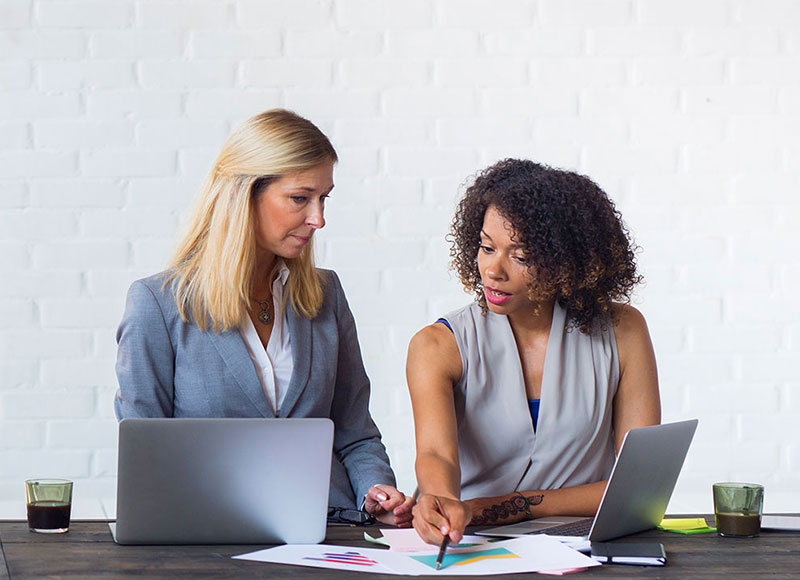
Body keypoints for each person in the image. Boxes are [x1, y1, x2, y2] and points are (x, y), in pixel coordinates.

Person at [114, 108, 413, 526]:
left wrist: (375, 490)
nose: (318, 218)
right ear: (244, 193)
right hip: (202, 537)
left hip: (328, 531)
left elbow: (355, 431)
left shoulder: (326, 296)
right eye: (300, 198)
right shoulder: (158, 305)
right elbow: (144, 457)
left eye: (323, 198)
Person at [406, 159, 661, 544]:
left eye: (520, 255)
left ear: (567, 261)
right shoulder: (438, 345)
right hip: (471, 542)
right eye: (486, 247)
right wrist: (440, 499)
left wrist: (519, 504)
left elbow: (638, 487)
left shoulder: (623, 331)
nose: (493, 269)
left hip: (584, 546)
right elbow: (435, 455)